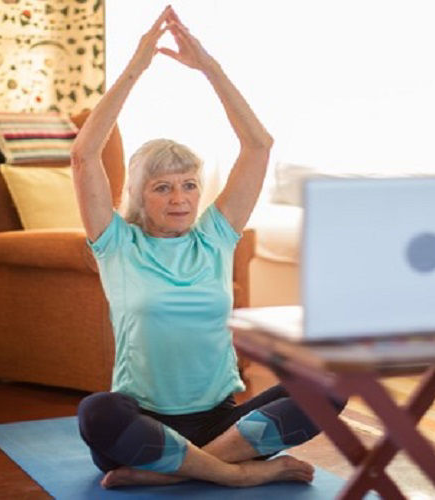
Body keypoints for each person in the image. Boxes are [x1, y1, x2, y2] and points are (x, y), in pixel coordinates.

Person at [70, 5, 344, 489]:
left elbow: (258, 145)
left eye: (189, 184)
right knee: (98, 412)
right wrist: (136, 68)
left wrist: (209, 69)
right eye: (162, 188)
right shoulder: (117, 243)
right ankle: (233, 475)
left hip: (223, 422)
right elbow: (84, 154)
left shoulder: (215, 236)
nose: (179, 198)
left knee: (331, 386)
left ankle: (173, 474)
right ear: (139, 197)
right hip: (145, 425)